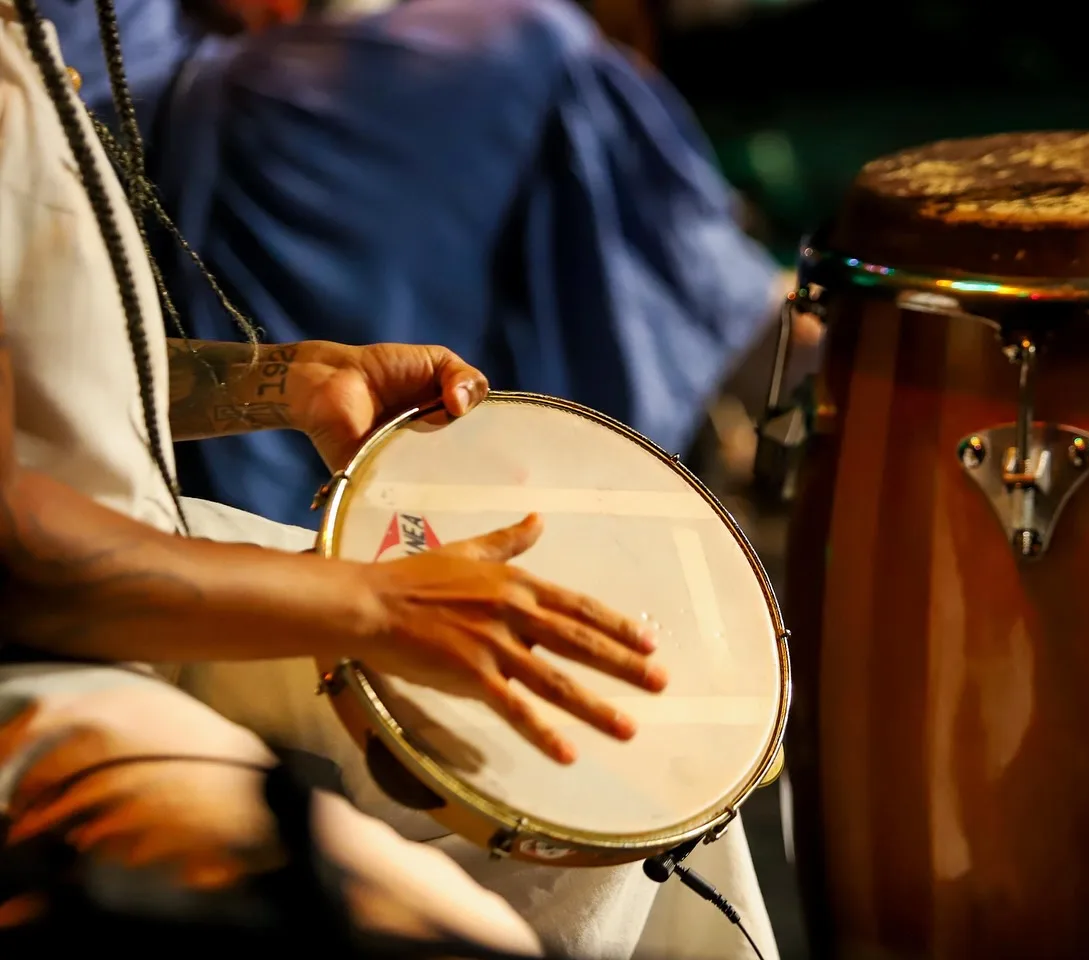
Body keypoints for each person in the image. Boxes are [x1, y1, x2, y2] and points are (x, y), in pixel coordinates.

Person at [0, 0, 785, 954]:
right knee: (423, 919)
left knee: (629, 772)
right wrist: (370, 603)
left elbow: (41, 371)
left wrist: (282, 379)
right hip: (37, 653)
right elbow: (18, 566)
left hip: (119, 556)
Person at [40, 0, 800, 532]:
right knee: (530, 47)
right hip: (126, 118)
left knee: (517, 50)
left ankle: (705, 391)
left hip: (196, 63)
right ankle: (759, 348)